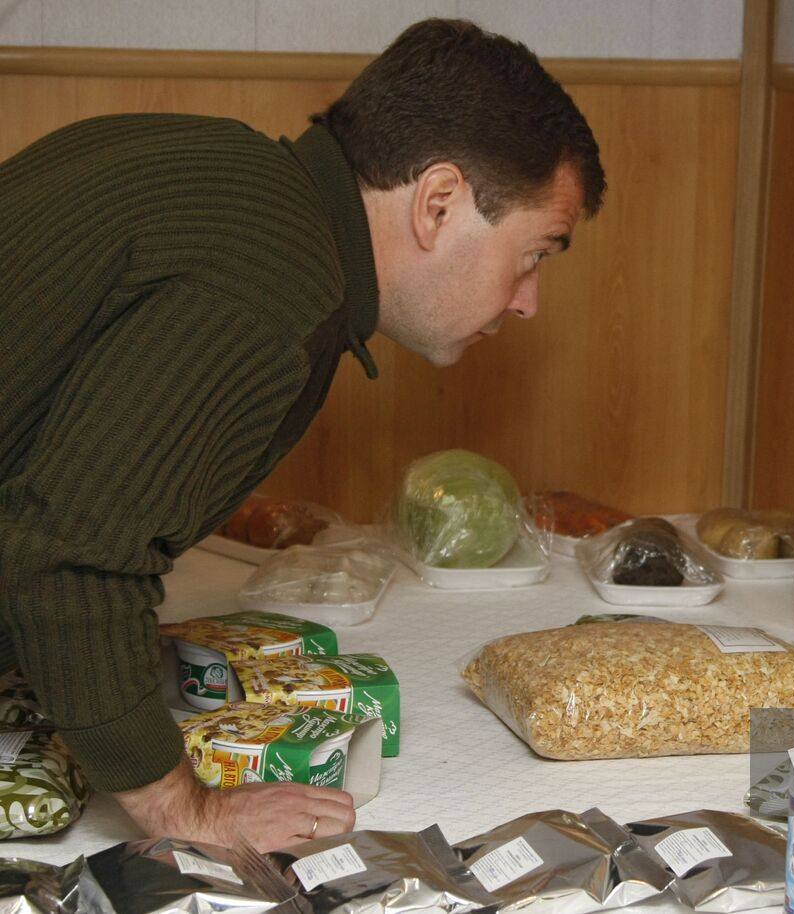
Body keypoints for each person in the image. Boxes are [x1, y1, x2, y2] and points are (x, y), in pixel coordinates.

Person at [0, 18, 605, 851]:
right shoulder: (271, 287)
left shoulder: (228, 174)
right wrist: (187, 808)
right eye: (535, 253)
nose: (528, 300)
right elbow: (72, 557)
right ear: (438, 202)